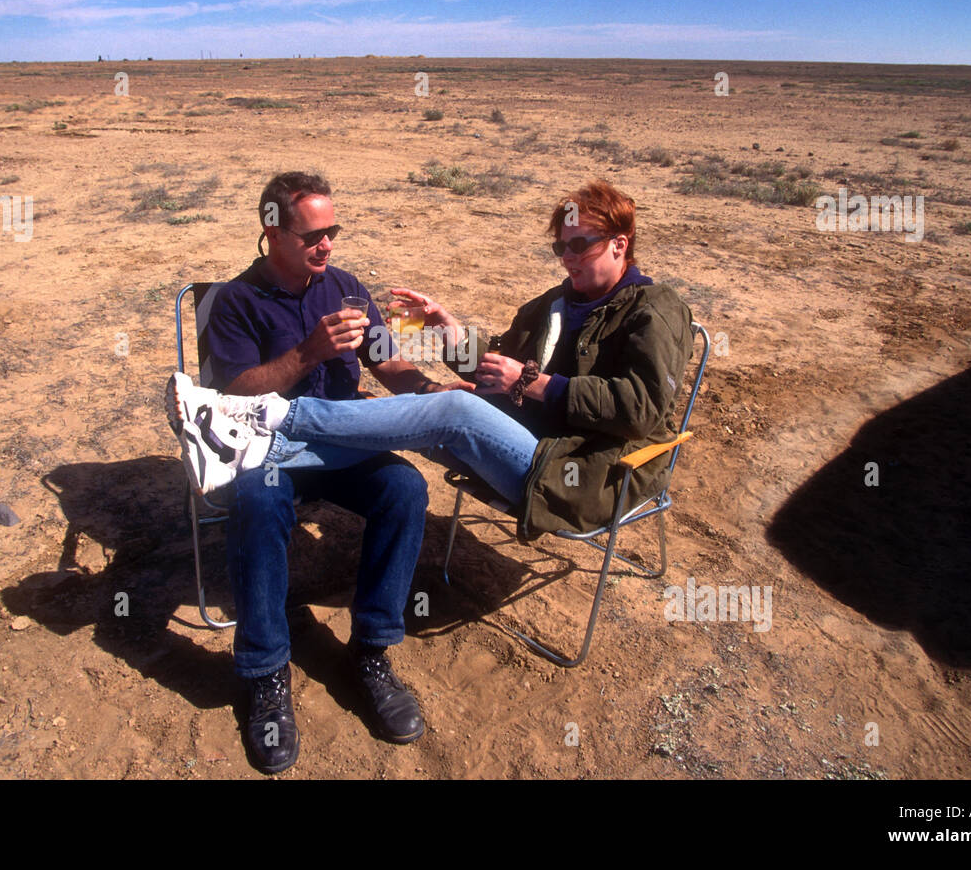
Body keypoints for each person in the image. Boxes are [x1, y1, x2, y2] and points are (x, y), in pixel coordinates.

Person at [171, 177, 695, 553]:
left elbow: (642, 409)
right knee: (454, 406)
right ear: (273, 234)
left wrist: (529, 384)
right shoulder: (553, 305)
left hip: (579, 470)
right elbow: (491, 367)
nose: (567, 258)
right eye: (561, 247)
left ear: (620, 244)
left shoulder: (655, 308)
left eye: (579, 246)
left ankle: (266, 423)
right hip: (526, 440)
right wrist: (446, 331)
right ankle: (259, 427)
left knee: (456, 410)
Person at [177, 171, 470, 775]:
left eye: (333, 231)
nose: (328, 245)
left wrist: (434, 392)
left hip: (340, 443)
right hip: (270, 450)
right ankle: (264, 675)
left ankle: (371, 653)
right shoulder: (234, 302)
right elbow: (232, 395)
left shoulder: (344, 287)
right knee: (258, 502)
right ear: (273, 233)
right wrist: (308, 352)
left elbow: (387, 364)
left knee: (405, 488)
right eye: (313, 234)